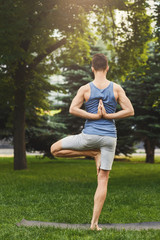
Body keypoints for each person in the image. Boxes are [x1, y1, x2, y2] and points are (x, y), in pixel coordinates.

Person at [50, 53, 134, 230]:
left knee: (54, 149)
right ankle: (94, 223)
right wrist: (107, 115)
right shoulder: (116, 88)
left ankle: (90, 151)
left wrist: (93, 116)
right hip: (110, 138)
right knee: (103, 180)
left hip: (88, 136)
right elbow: (130, 110)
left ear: (92, 68)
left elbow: (72, 108)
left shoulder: (85, 89)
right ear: (107, 67)